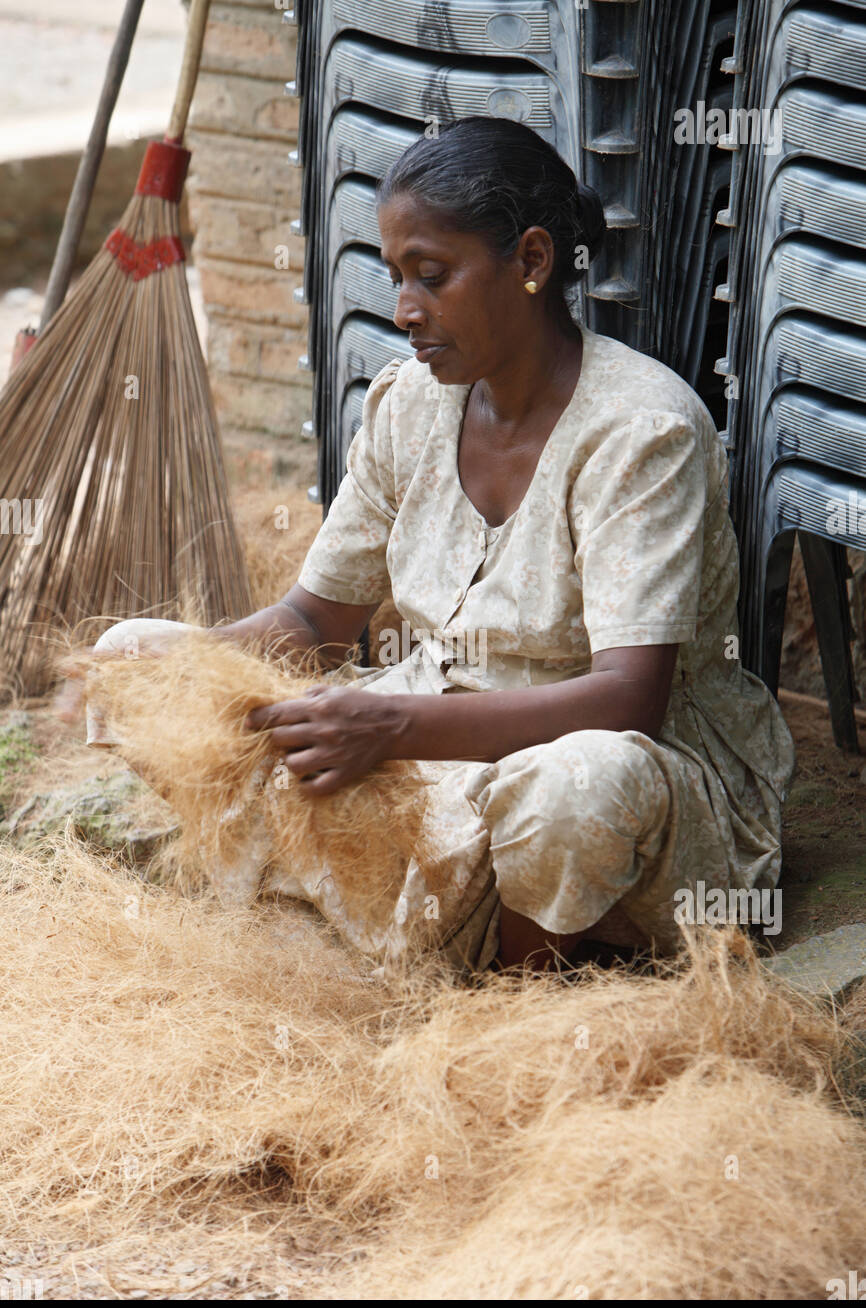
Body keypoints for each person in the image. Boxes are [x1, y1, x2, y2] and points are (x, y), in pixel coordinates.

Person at [77, 116, 796, 975]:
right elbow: (317, 620)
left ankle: (512, 994)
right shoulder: (410, 405)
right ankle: (432, 925)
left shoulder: (641, 431)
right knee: (134, 657)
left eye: (433, 276)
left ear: (532, 262)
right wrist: (183, 669)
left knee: (575, 789)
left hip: (616, 773)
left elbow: (627, 700)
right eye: (396, 278)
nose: (404, 310)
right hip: (427, 748)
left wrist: (394, 726)